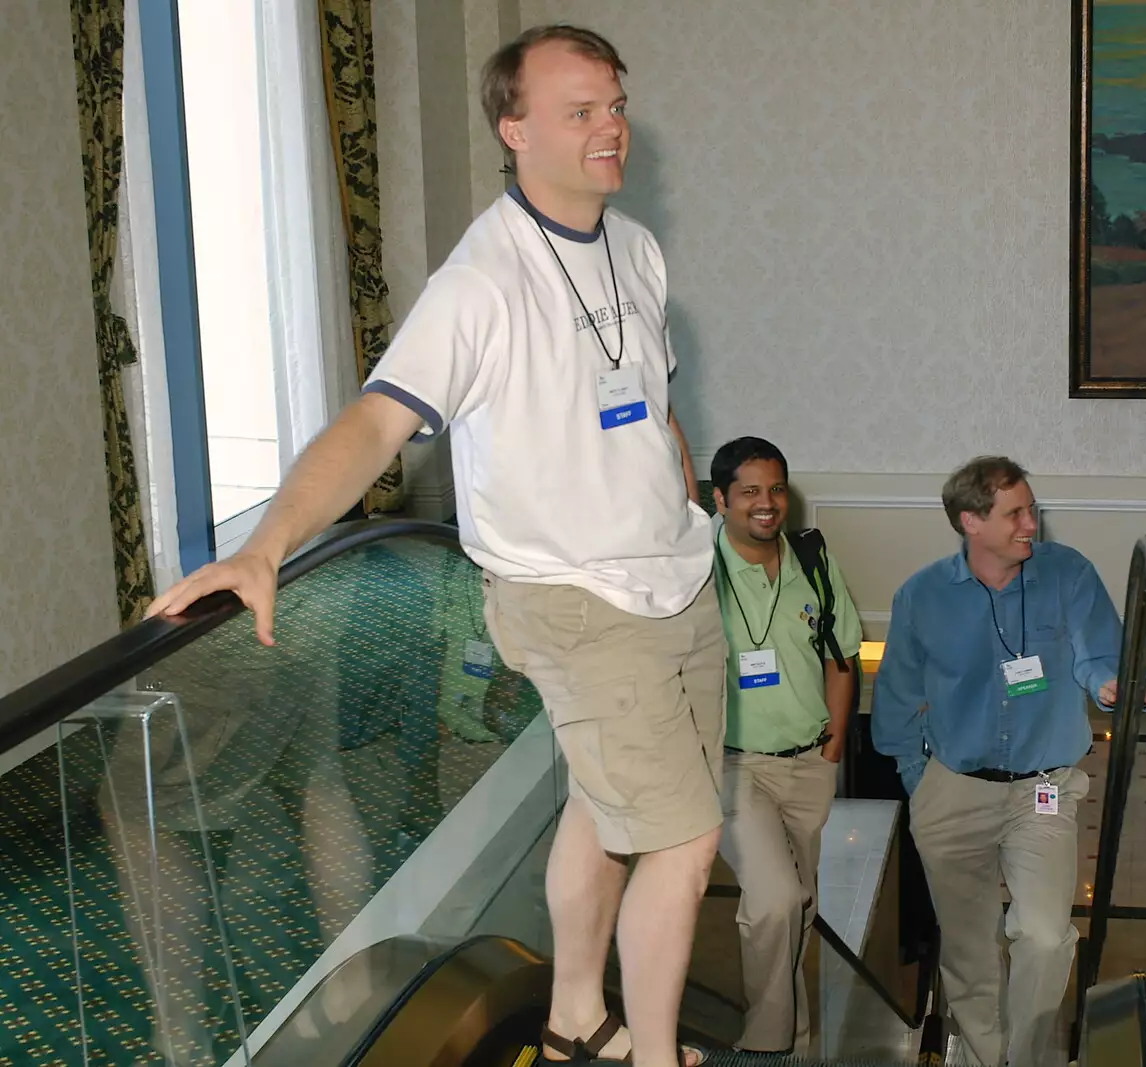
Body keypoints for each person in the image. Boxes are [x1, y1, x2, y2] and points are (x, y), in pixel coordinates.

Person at [146, 25, 721, 1067]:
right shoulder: (481, 282)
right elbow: (374, 421)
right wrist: (268, 541)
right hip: (577, 597)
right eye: (578, 109)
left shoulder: (635, 248)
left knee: (605, 804)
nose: (610, 127)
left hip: (674, 575)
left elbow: (648, 403)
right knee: (683, 841)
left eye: (615, 103)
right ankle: (653, 1055)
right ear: (514, 129)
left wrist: (674, 493)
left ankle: (575, 1019)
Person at [870, 456, 1146, 1067]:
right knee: (970, 948)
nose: (1032, 523)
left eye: (1032, 510)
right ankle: (982, 1056)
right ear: (970, 521)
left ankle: (1026, 1057)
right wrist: (920, 782)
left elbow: (1098, 654)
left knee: (1044, 936)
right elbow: (896, 699)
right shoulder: (922, 596)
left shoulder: (1068, 574)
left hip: (1043, 789)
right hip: (952, 789)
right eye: (1016, 514)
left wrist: (1112, 683)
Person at [708, 437, 862, 1054]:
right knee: (774, 900)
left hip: (807, 764)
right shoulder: (695, 570)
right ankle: (767, 1046)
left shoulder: (811, 562)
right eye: (749, 492)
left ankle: (793, 1042)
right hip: (733, 769)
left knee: (799, 903)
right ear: (720, 500)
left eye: (775, 490)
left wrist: (833, 743)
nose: (766, 504)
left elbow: (842, 657)